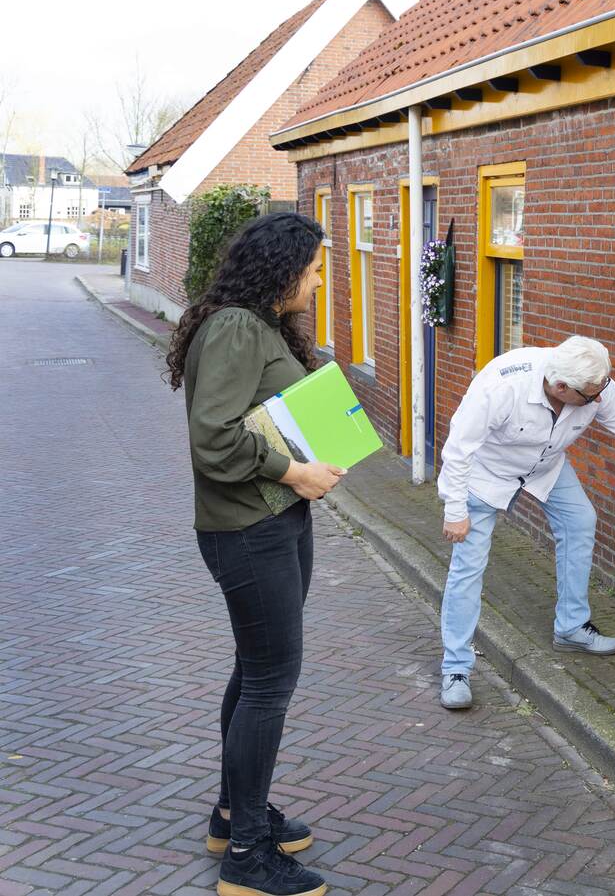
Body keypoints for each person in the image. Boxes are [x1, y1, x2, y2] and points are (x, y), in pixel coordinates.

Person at [165, 212, 344, 896]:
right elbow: (213, 439)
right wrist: (294, 472)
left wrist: (315, 457)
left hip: (274, 519)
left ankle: (233, 813)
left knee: (256, 671)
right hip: (248, 529)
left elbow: (266, 415)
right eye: (316, 268)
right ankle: (246, 857)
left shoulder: (261, 325)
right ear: (284, 268)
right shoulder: (238, 327)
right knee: (270, 682)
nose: (321, 280)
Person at [436, 335, 615, 710]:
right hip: (486, 474)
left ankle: (572, 627)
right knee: (468, 568)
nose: (599, 400)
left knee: (581, 521)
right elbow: (459, 448)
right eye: (591, 397)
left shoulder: (595, 384)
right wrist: (455, 511)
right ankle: (456, 669)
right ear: (561, 387)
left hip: (545, 467)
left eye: (601, 392)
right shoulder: (502, 384)